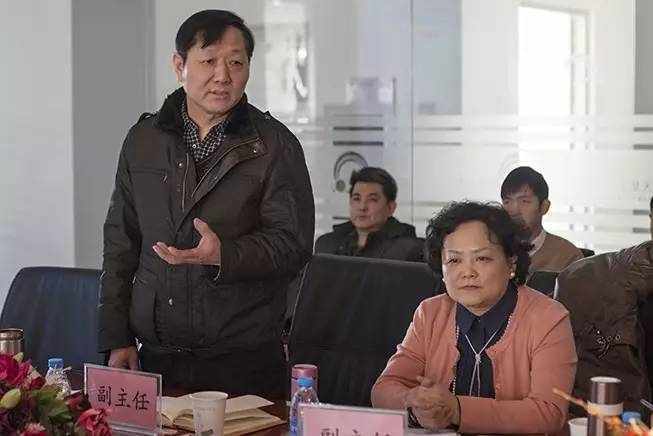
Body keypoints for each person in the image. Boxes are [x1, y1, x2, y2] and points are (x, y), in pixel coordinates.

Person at [98, 9, 314, 398]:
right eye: (208, 61)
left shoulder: (275, 145)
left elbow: (293, 245)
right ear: (179, 65)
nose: (223, 76)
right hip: (157, 352)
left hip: (243, 356)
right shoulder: (142, 140)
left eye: (236, 63)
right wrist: (117, 337)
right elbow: (120, 245)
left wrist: (223, 255)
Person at [371, 201, 577, 434]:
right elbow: (383, 389)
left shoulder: (548, 318)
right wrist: (414, 402)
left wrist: (457, 409)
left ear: (511, 262)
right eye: (454, 260)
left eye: (482, 258)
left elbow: (549, 413)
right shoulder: (430, 313)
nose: (467, 272)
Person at [314, 167, 423, 261]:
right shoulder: (327, 245)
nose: (362, 207)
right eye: (357, 199)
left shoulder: (409, 250)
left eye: (372, 200)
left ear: (390, 208)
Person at [501, 166, 582, 273]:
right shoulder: (494, 249)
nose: (514, 210)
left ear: (544, 206)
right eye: (507, 202)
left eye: (524, 201)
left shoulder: (567, 256)